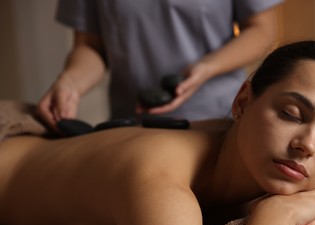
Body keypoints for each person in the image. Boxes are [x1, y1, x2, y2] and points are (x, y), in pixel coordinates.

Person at [1, 41, 315, 225]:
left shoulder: (289, 157)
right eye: (291, 113)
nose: (307, 144)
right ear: (242, 102)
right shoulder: (156, 179)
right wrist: (279, 214)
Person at [38, 0, 284, 131]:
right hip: (132, 126)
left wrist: (207, 67)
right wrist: (69, 82)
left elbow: (262, 30)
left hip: (217, 119)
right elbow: (91, 46)